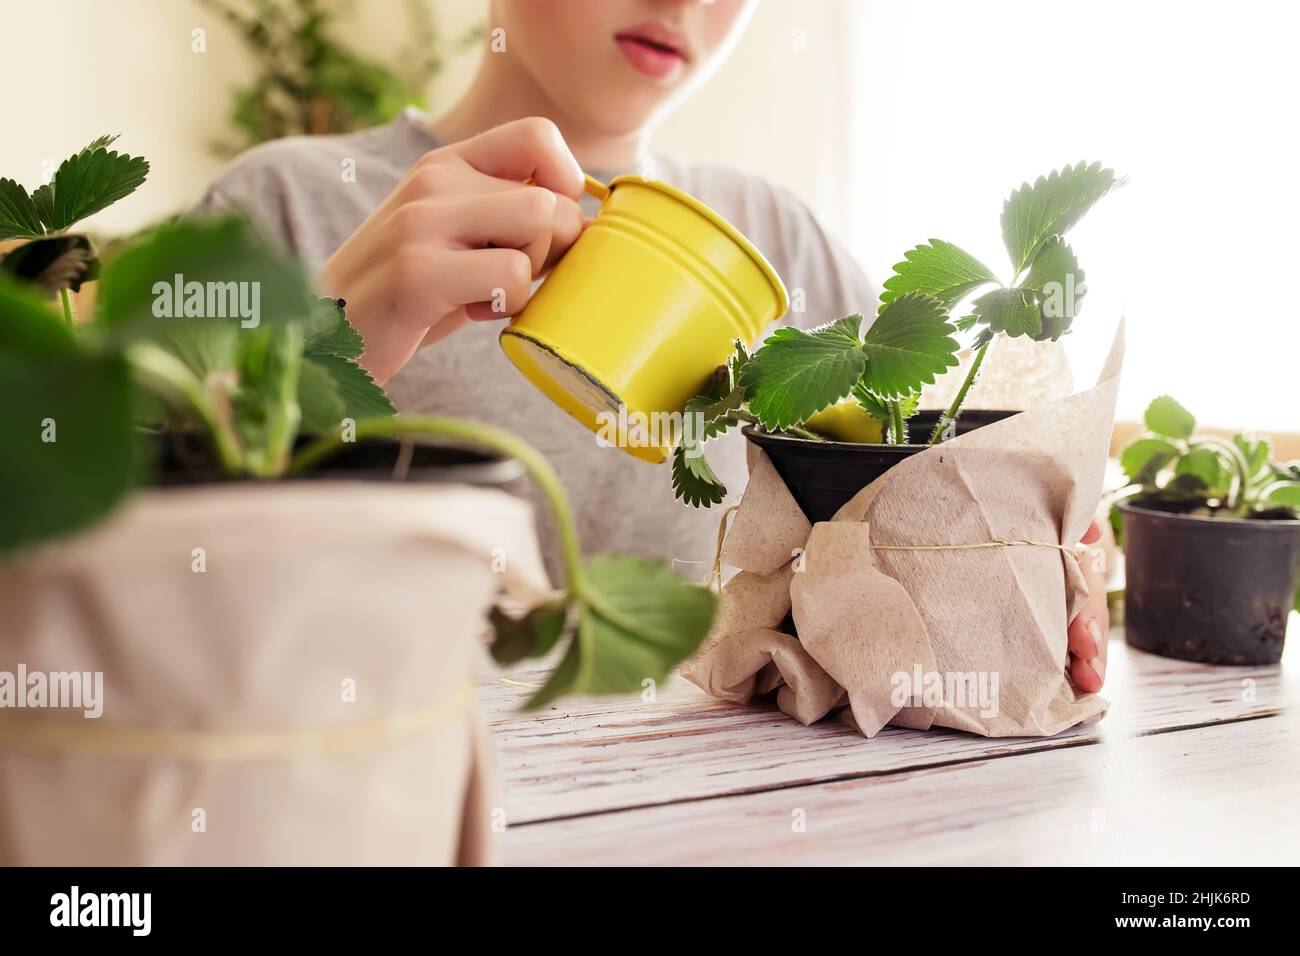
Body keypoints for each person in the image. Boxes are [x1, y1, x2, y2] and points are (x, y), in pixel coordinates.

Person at [196, 0, 1108, 692]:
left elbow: (926, 504)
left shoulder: (778, 246)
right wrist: (316, 355)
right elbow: (143, 617)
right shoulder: (282, 209)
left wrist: (1029, 539)